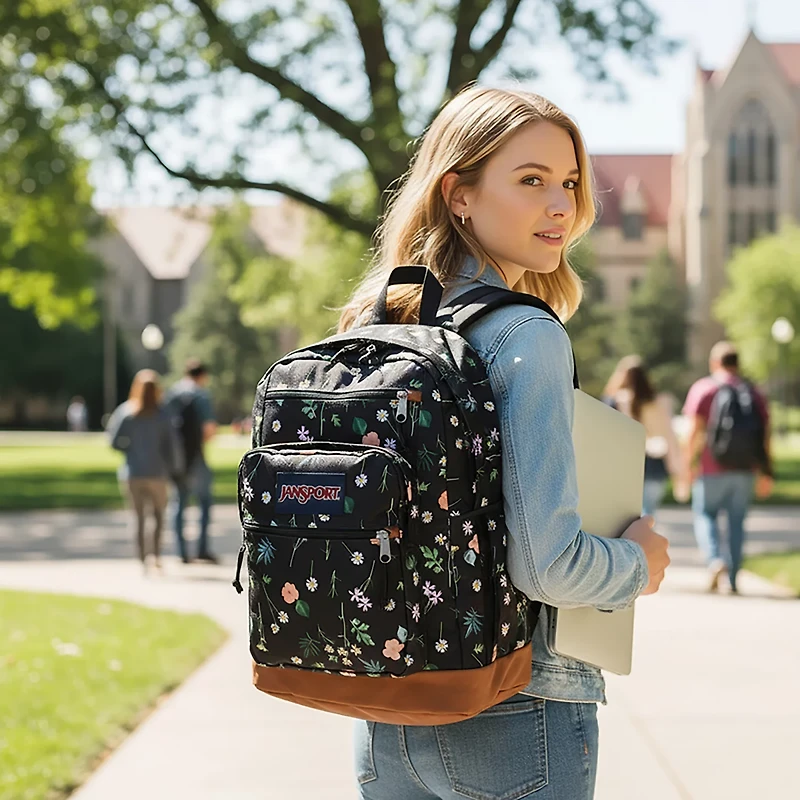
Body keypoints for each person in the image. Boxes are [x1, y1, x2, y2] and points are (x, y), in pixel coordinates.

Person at [338, 86, 670, 800]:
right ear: (458, 192)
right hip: (516, 701)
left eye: (570, 183)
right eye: (531, 180)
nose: (561, 205)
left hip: (382, 705)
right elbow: (548, 566)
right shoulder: (525, 334)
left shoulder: (374, 323)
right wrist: (638, 562)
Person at [680, 341, 773, 593]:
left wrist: (687, 466)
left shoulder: (704, 389)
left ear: (714, 363)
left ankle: (715, 560)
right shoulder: (754, 393)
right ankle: (733, 580)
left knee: (705, 514)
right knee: (736, 523)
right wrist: (767, 471)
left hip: (711, 469)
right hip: (745, 470)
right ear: (738, 364)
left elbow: (693, 432)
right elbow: (765, 436)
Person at [106, 370, 182, 572]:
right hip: (157, 473)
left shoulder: (126, 412)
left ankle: (141, 559)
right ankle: (155, 556)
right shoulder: (164, 414)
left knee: (138, 517)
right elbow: (173, 446)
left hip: (133, 473)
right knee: (158, 516)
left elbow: (113, 441)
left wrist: (130, 449)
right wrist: (176, 467)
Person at [603, 356, 681, 517]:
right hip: (654, 465)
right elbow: (669, 436)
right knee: (648, 514)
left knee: (624, 519)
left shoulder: (614, 401)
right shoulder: (658, 403)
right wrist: (677, 469)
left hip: (624, 466)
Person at [165, 359, 218, 564]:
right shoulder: (201, 395)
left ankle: (181, 552)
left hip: (176, 458)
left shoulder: (173, 393)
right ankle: (202, 549)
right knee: (204, 502)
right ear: (202, 375)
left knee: (179, 502)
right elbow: (209, 429)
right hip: (196, 456)